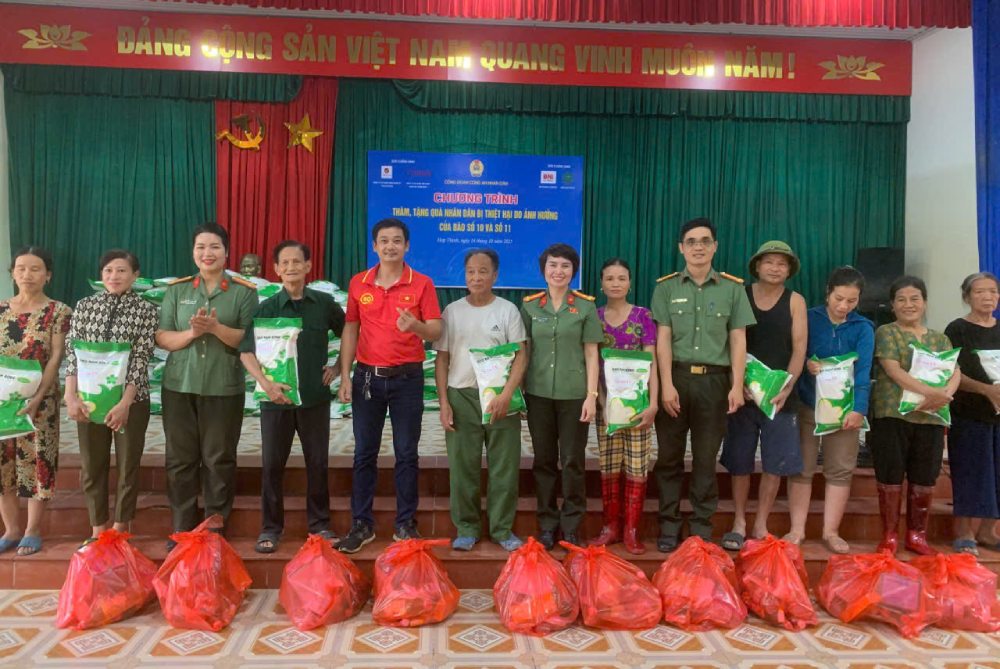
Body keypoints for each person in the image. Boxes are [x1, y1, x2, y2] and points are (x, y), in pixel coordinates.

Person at [337, 218, 442, 553]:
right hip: (367, 378)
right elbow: (350, 329)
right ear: (375, 246)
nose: (390, 246)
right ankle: (361, 523)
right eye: (384, 241)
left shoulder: (422, 283)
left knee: (406, 453)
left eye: (397, 240)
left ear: (407, 246)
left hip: (407, 380)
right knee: (364, 453)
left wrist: (416, 327)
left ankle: (405, 523)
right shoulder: (359, 283)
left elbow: (436, 331)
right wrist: (344, 374)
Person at [651, 218, 755, 553]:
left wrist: (737, 385)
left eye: (705, 241)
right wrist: (666, 385)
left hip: (715, 382)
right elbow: (662, 340)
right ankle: (668, 525)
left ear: (714, 247)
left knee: (706, 459)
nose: (698, 247)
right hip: (676, 379)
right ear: (681, 248)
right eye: (691, 241)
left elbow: (738, 340)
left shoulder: (732, 289)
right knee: (668, 458)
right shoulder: (665, 288)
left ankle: (699, 526)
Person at [156, 223, 256, 548]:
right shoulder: (177, 291)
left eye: (214, 247)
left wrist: (215, 328)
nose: (207, 253)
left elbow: (246, 339)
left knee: (218, 458)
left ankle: (214, 527)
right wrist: (192, 334)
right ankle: (183, 528)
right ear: (193, 252)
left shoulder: (243, 291)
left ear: (226, 252)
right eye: (201, 247)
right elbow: (163, 338)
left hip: (223, 387)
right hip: (178, 386)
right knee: (180, 460)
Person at [241, 241, 345, 553]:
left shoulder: (324, 303)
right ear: (275, 269)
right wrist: (266, 383)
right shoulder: (267, 308)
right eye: (284, 263)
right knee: (272, 464)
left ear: (308, 266)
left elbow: (352, 333)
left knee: (318, 463)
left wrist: (339, 366)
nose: (290, 268)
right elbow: (246, 351)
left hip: (314, 398)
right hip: (276, 401)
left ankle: (320, 526)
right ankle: (270, 528)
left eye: (296, 262)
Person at [434, 248, 527, 552]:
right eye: (471, 271)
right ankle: (467, 527)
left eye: (483, 271)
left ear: (495, 275)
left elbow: (521, 355)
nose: (476, 277)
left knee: (504, 466)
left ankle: (502, 529)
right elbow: (442, 360)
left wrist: (507, 394)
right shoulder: (452, 311)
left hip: (501, 398)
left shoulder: (507, 311)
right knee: (463, 467)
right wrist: (444, 402)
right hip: (462, 397)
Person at [64, 250, 159, 545]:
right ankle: (97, 529)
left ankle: (120, 529)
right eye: (107, 271)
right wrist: (70, 395)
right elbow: (73, 354)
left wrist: (125, 403)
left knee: (128, 466)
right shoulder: (84, 306)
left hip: (131, 401)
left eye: (121, 271)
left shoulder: (146, 310)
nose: (113, 276)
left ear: (135, 276)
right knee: (92, 466)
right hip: (90, 400)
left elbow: (140, 358)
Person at [719, 241, 807, 551]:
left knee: (774, 462)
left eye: (781, 264)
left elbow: (799, 349)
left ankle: (761, 522)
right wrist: (736, 382)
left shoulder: (796, 301)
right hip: (742, 394)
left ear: (789, 270)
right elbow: (729, 343)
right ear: (756, 266)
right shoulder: (739, 294)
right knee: (740, 460)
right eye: (768, 262)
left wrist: (787, 386)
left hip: (779, 397)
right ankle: (740, 521)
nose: (774, 268)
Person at [784, 266, 874, 554]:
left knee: (840, 470)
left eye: (851, 301)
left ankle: (830, 532)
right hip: (808, 404)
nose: (843, 306)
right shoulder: (810, 318)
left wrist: (859, 408)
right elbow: (795, 350)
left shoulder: (863, 328)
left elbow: (864, 371)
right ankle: (796, 529)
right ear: (828, 292)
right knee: (802, 468)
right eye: (838, 298)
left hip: (845, 410)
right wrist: (809, 362)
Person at [521, 243, 603, 549]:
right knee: (543, 460)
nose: (558, 271)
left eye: (565, 266)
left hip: (574, 396)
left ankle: (571, 523)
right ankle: (546, 522)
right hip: (538, 394)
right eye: (553, 265)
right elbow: (524, 352)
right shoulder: (530, 306)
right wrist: (519, 393)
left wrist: (591, 396)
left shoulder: (585, 307)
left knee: (572, 460)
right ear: (544, 269)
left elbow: (592, 353)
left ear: (573, 272)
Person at [870, 275, 959, 555]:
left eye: (915, 299)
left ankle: (916, 535)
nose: (909, 305)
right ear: (893, 306)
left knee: (925, 475)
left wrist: (946, 394)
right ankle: (889, 536)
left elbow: (954, 370)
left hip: (931, 417)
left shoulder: (940, 337)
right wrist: (931, 393)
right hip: (893, 413)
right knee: (891, 473)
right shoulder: (886, 332)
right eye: (901, 300)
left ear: (925, 303)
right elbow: (892, 369)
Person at [0, 246, 71, 556]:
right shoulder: (1, 309)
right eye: (21, 268)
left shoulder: (58, 311)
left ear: (48, 275)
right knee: (3, 463)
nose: (27, 274)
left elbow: (56, 356)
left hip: (39, 402)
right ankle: (11, 529)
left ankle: (32, 529)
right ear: (13, 272)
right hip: (2, 400)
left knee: (36, 460)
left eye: (35, 269)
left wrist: (39, 396)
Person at [590, 258, 657, 555]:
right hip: (607, 406)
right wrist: (601, 402)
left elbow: (652, 362)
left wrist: (653, 403)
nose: (616, 283)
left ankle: (631, 529)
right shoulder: (594, 317)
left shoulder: (643, 316)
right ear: (602, 283)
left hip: (639, 407)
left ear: (630, 282)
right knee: (609, 466)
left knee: (637, 466)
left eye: (621, 278)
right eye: (610, 278)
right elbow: (590, 362)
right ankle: (610, 526)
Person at [944, 272, 1000, 555]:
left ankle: (990, 532)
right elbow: (952, 373)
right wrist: (986, 390)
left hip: (998, 415)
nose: (987, 297)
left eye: (992, 291)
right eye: (980, 292)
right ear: (967, 297)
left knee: (998, 473)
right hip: (968, 413)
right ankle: (964, 533)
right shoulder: (957, 329)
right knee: (970, 471)